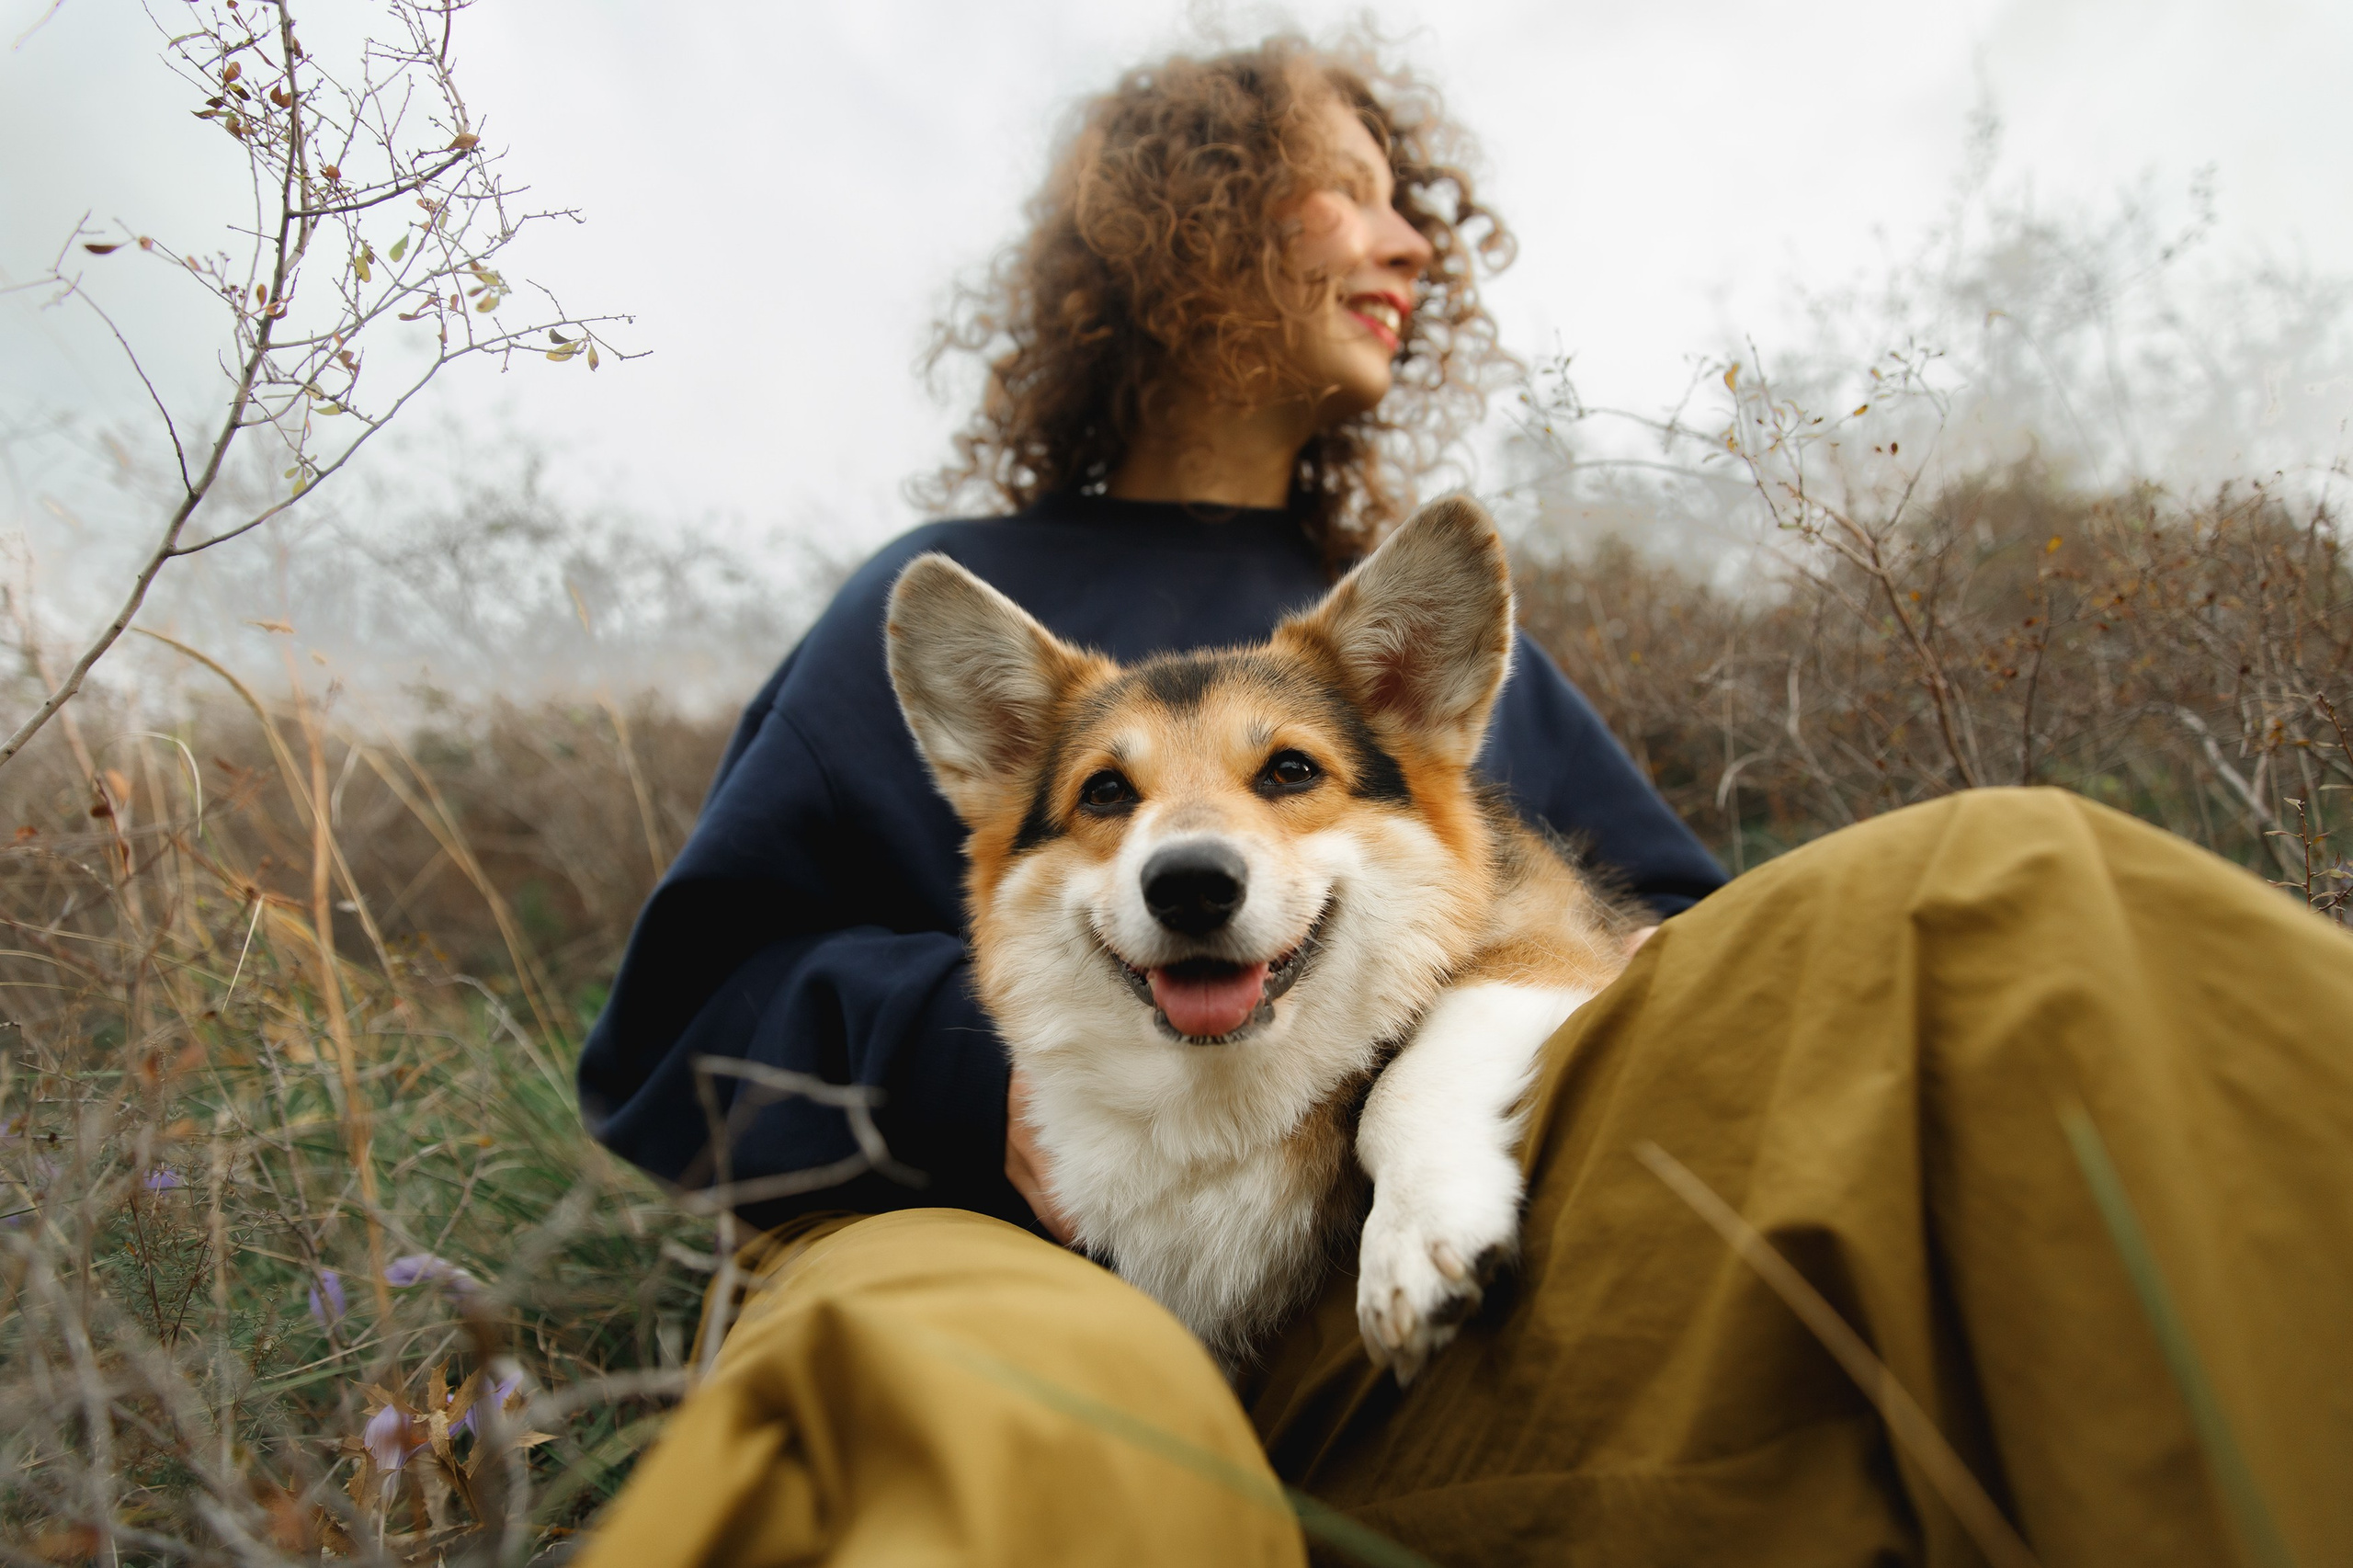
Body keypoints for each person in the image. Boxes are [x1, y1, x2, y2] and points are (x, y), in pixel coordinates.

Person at [573, 37, 2353, 1568]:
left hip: (1400, 1321)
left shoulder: (1406, 649)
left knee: (2002, 900)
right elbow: (675, 1033)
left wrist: (1450, 1062)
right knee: (996, 1403)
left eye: (1406, 200)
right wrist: (987, 1081)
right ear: (1193, 219)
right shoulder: (952, 597)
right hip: (1016, 1257)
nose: (1409, 238)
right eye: (1347, 191)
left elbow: (1689, 957)